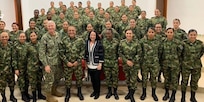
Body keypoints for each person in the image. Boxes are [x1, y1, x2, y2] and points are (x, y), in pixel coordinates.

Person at [59, 26, 85, 102]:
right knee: (68, 79)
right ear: (67, 31)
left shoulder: (80, 40)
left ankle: (79, 92)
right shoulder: (63, 40)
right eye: (70, 30)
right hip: (68, 64)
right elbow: (61, 52)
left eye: (73, 30)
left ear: (75, 31)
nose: (71, 32)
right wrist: (66, 62)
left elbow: (83, 51)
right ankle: (68, 93)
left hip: (77, 64)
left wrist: (78, 61)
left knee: (79, 78)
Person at [39, 21, 63, 102]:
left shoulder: (58, 35)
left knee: (57, 78)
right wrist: (46, 65)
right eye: (49, 26)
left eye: (52, 26)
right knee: (49, 81)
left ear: (55, 27)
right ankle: (48, 97)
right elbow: (42, 53)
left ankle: (54, 90)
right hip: (49, 63)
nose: (51, 27)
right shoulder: (44, 37)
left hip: (58, 62)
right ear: (47, 27)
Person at [118, 29, 142, 102]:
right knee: (128, 80)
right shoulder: (122, 43)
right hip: (126, 64)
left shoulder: (137, 43)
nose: (129, 35)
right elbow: (120, 53)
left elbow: (139, 53)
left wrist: (133, 61)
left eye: (130, 33)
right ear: (125, 34)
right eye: (127, 33)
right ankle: (129, 92)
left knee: (133, 80)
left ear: (133, 34)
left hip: (134, 65)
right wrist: (126, 61)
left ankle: (131, 95)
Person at [181, 29, 204, 102]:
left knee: (194, 82)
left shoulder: (200, 44)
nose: (193, 36)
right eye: (191, 35)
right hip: (186, 66)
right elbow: (180, 53)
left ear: (196, 35)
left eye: (194, 35)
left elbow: (201, 53)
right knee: (184, 82)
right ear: (188, 35)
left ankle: (192, 97)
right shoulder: (184, 43)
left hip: (196, 66)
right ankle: (183, 97)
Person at [160, 28, 183, 102]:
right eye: (168, 32)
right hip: (165, 64)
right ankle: (167, 93)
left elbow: (180, 53)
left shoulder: (178, 42)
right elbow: (161, 52)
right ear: (166, 33)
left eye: (171, 32)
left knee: (174, 80)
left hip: (174, 64)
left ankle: (173, 95)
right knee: (166, 79)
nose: (169, 34)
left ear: (173, 33)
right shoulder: (163, 41)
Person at [139, 27, 160, 101]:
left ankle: (153, 93)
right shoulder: (142, 41)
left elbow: (160, 52)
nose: (151, 33)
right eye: (149, 32)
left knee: (154, 79)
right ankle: (144, 93)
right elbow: (140, 52)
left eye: (152, 32)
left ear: (154, 33)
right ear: (147, 33)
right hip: (145, 63)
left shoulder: (158, 41)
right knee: (144, 78)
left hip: (154, 63)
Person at [84, 31, 104, 100]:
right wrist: (86, 63)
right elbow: (86, 53)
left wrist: (100, 64)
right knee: (92, 79)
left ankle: (97, 92)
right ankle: (94, 91)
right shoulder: (87, 42)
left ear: (96, 36)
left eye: (94, 35)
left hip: (96, 65)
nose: (92, 36)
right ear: (89, 36)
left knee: (97, 80)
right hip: (89, 64)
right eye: (91, 35)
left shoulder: (99, 43)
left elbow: (101, 54)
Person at [27, 32, 46, 102]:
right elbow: (24, 57)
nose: (33, 37)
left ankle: (40, 94)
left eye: (34, 35)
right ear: (30, 37)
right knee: (33, 83)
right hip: (31, 67)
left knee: (39, 81)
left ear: (36, 36)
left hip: (39, 66)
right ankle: (34, 97)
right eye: (31, 36)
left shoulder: (40, 44)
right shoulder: (27, 46)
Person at [14, 32, 32, 102]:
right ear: (19, 38)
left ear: (25, 37)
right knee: (22, 81)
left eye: (23, 36)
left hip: (27, 66)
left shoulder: (28, 45)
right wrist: (16, 68)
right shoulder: (16, 46)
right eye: (21, 37)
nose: (22, 38)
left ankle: (27, 93)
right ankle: (23, 95)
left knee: (27, 80)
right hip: (20, 67)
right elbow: (14, 58)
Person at [102, 29, 119, 100]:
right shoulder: (103, 41)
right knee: (108, 78)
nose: (107, 35)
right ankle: (109, 92)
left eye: (109, 33)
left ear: (112, 34)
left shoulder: (116, 41)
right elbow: (101, 51)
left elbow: (119, 51)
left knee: (115, 78)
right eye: (106, 34)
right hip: (106, 63)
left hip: (114, 62)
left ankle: (115, 92)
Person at [0, 32, 17, 102]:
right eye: (2, 37)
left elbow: (14, 57)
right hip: (1, 70)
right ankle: (3, 97)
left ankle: (12, 96)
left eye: (6, 37)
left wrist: (15, 68)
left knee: (12, 84)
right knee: (2, 85)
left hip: (10, 69)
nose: (4, 38)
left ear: (8, 37)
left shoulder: (11, 45)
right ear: (0, 38)